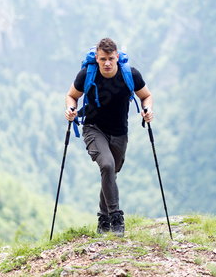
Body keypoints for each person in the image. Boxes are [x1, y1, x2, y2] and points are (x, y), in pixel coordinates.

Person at [65, 38, 154, 237]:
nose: (107, 63)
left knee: (111, 173)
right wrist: (70, 109)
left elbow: (146, 96)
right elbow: (72, 95)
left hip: (120, 133)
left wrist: (147, 110)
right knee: (107, 165)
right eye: (103, 59)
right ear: (96, 58)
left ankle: (103, 220)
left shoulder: (130, 74)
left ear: (117, 58)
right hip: (93, 128)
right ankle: (115, 218)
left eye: (111, 59)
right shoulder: (87, 74)